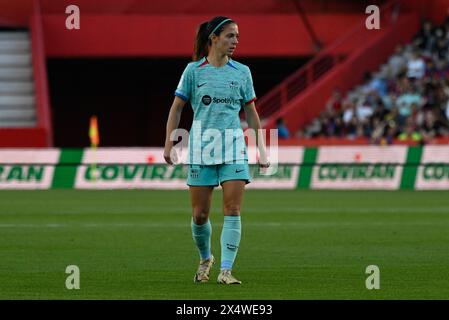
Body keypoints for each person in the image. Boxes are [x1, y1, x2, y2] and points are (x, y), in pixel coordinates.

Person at [163, 16, 269, 285]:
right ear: (214, 38)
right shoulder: (193, 72)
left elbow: (251, 112)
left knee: (232, 210)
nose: (235, 41)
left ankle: (226, 270)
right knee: (200, 215)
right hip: (201, 149)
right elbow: (177, 108)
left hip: (234, 149)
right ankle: (205, 258)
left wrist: (263, 150)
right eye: (230, 36)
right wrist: (169, 142)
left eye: (237, 37)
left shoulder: (242, 72)